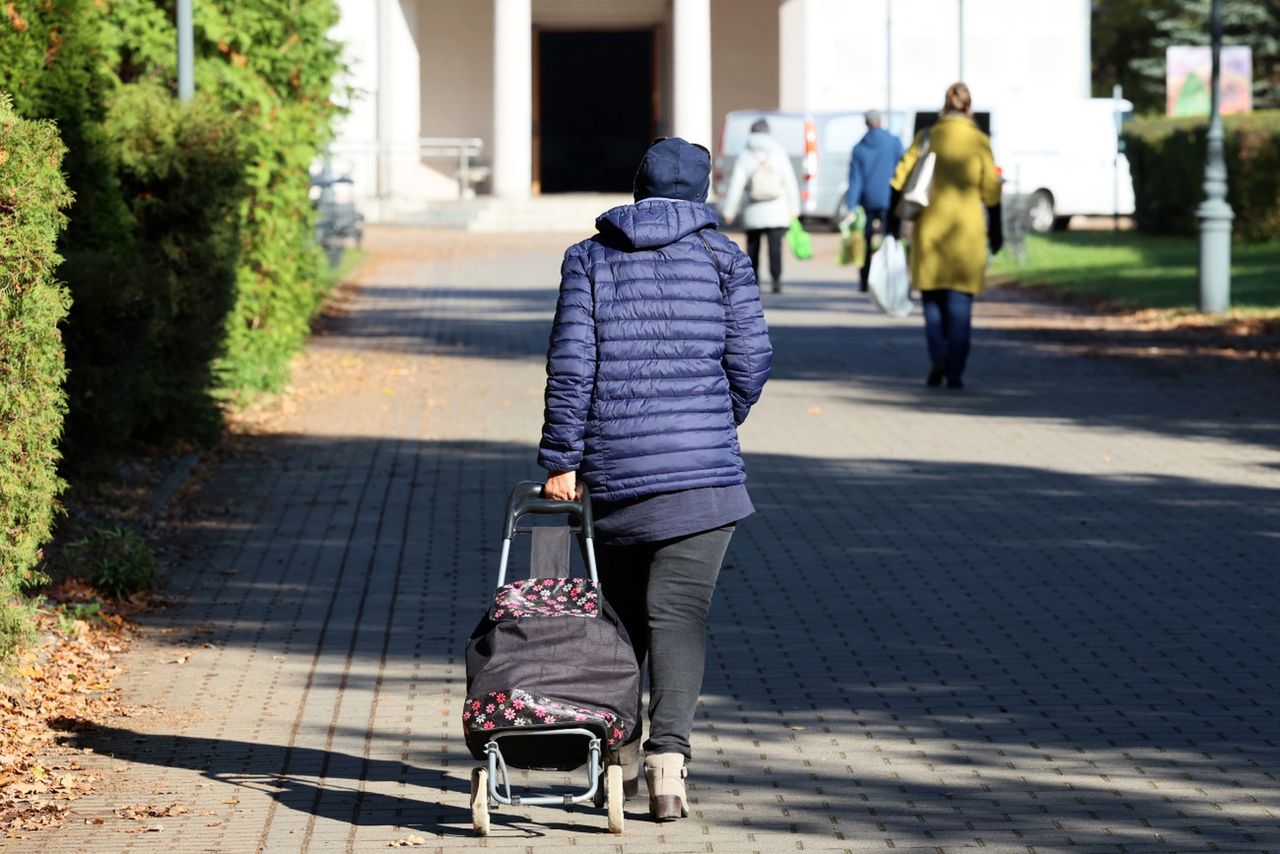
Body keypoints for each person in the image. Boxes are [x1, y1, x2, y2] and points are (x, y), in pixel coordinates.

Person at [539, 137, 772, 821]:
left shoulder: (588, 257)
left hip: (614, 477)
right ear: (702, 192)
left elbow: (571, 366)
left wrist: (562, 459)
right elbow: (752, 359)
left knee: (619, 621)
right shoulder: (724, 256)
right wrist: (715, 417)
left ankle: (618, 756)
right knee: (679, 619)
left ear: (638, 187)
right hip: (704, 483)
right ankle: (668, 773)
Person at [890, 83, 1002, 389]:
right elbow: (992, 192)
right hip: (966, 238)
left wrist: (891, 223)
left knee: (932, 304)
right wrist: (997, 231)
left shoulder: (926, 137)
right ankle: (955, 369)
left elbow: (899, 178)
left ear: (945, 106)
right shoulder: (979, 141)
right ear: (969, 108)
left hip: (929, 234)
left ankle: (937, 356)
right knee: (960, 306)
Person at [718, 118, 801, 293]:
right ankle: (776, 280)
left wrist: (729, 210)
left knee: (753, 246)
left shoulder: (745, 154)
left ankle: (753, 281)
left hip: (753, 209)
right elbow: (790, 182)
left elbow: (736, 184)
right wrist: (794, 209)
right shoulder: (779, 152)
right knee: (775, 247)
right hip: (777, 209)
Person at [844, 109, 904, 291]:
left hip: (867, 201)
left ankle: (865, 281)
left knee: (866, 242)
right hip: (890, 200)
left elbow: (856, 180)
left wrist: (851, 206)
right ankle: (891, 279)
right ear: (880, 121)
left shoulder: (859, 148)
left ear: (866, 123)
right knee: (891, 240)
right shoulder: (894, 143)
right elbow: (902, 170)